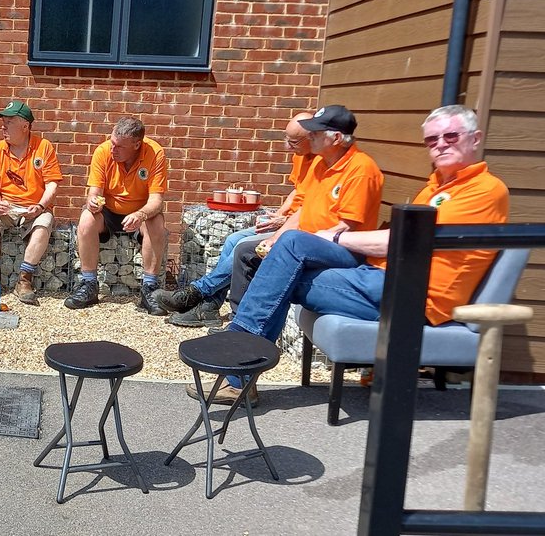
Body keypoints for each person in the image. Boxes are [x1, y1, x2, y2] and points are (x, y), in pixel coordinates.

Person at [199, 104, 508, 405]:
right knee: (282, 264)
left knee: (288, 256)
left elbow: (402, 243)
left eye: (450, 137)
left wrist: (332, 235)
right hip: (381, 278)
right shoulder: (436, 188)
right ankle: (238, 370)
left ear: (475, 139)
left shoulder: (484, 190)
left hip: (414, 296)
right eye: (431, 139)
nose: (439, 145)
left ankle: (235, 362)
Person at [153, 112, 321, 326]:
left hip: (300, 229)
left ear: (312, 137)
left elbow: (312, 208)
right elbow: (296, 192)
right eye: (286, 139)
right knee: (233, 239)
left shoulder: (322, 161)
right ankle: (209, 307)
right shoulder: (301, 155)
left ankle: (197, 293)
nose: (288, 147)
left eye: (294, 141)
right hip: (287, 222)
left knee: (242, 246)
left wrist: (282, 224)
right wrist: (280, 214)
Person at [226, 104, 384, 313]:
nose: (310, 137)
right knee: (250, 252)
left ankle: (244, 328)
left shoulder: (361, 169)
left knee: (286, 251)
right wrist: (275, 239)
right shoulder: (320, 164)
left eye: (316, 133)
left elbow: (347, 228)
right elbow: (302, 211)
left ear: (336, 138)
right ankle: (244, 321)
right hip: (308, 242)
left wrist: (293, 241)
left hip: (344, 250)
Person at [63, 117, 169, 314]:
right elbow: (94, 193)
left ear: (137, 145)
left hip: (140, 213)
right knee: (86, 219)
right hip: (109, 212)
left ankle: (150, 288)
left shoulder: (155, 153)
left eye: (119, 146)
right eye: (112, 143)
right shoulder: (103, 152)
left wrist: (140, 214)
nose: (113, 149)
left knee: (157, 222)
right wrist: (93, 202)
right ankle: (89, 284)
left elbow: (156, 201)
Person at [0, 100, 62, 305]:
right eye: (3, 122)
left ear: (25, 126)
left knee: (43, 224)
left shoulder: (43, 147)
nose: (3, 127)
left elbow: (52, 185)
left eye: (9, 122)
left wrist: (40, 206)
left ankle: (24, 279)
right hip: (6, 205)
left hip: (35, 206)